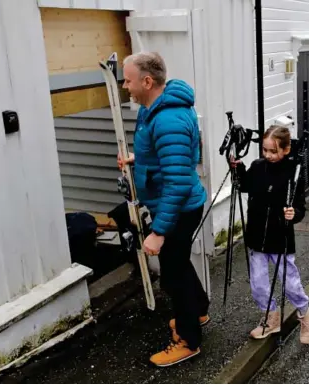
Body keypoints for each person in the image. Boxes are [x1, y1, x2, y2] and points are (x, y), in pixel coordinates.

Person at [117, 51, 210, 367]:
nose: (125, 86)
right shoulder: (152, 109)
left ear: (147, 81)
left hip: (178, 208)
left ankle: (188, 339)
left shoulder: (167, 118)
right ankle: (198, 310)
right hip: (177, 205)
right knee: (179, 264)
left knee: (172, 274)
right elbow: (165, 158)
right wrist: (138, 161)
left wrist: (158, 232)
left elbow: (177, 183)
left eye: (128, 80)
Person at [231, 125, 309, 344]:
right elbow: (244, 186)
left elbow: (300, 207)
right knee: (258, 283)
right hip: (256, 235)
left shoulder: (293, 173)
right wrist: (238, 169)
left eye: (273, 151)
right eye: (265, 150)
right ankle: (271, 318)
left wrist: (293, 213)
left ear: (286, 150)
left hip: (280, 237)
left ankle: (306, 313)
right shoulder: (258, 166)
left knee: (290, 282)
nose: (268, 155)